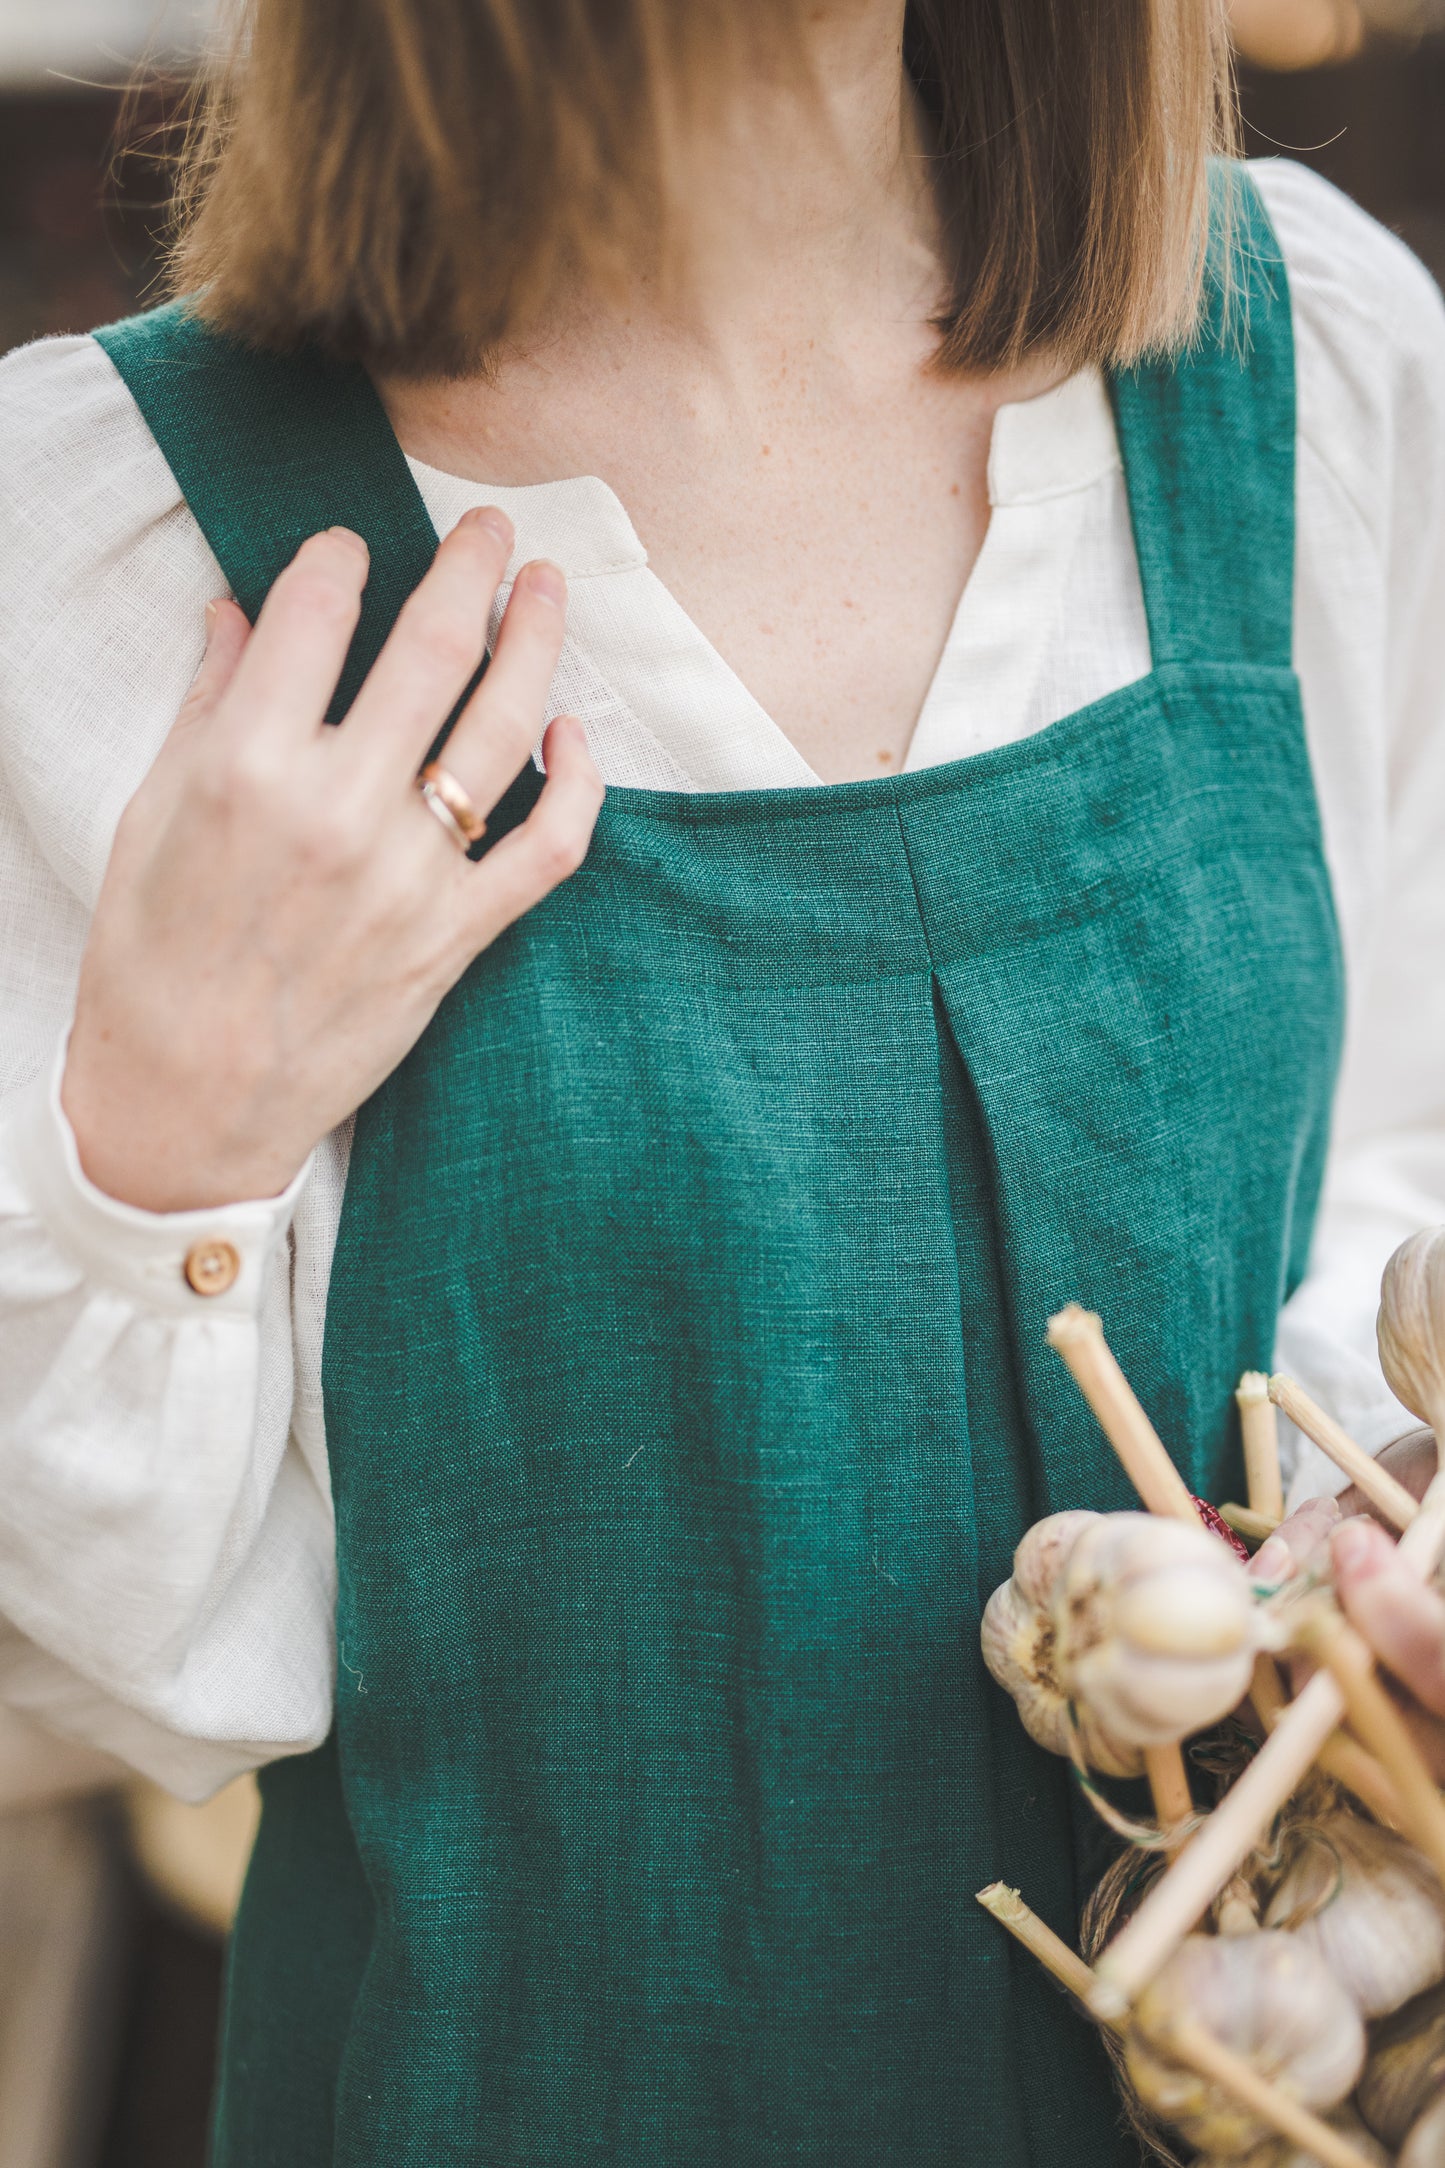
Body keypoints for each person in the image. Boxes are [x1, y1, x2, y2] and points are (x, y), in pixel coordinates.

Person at [1, 0, 1444, 2160]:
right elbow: (87, 1680)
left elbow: (1398, 1170)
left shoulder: (1317, 365)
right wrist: (157, 1158)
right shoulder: (102, 552)